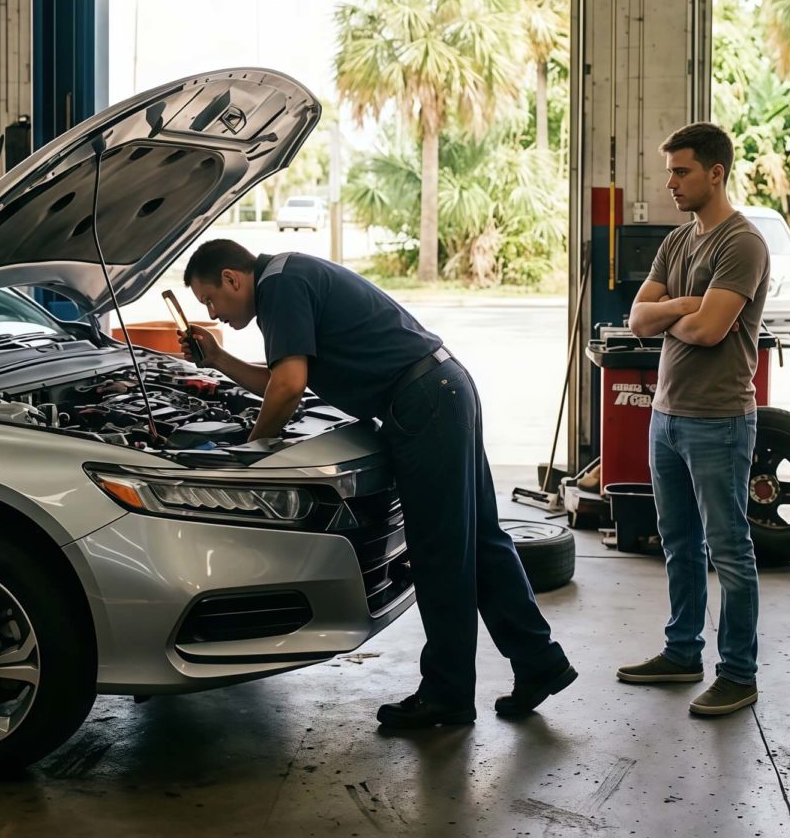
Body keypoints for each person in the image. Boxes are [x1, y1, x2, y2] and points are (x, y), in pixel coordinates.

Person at [183, 238, 576, 728]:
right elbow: (283, 379)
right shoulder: (287, 276)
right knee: (480, 541)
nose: (213, 314)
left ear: (232, 278)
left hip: (423, 402)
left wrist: (249, 453)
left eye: (211, 300)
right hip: (443, 387)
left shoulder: (279, 286)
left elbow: (289, 387)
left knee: (439, 553)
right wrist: (218, 359)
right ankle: (540, 662)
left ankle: (448, 694)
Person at [614, 123, 771, 717]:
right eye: (670, 172)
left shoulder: (743, 244)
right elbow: (637, 319)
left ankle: (739, 673)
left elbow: (709, 331)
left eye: (681, 172)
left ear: (716, 173)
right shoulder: (678, 242)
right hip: (667, 416)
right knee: (679, 544)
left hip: (718, 420)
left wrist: (671, 314)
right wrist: (685, 303)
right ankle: (682, 653)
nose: (671, 184)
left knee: (729, 551)